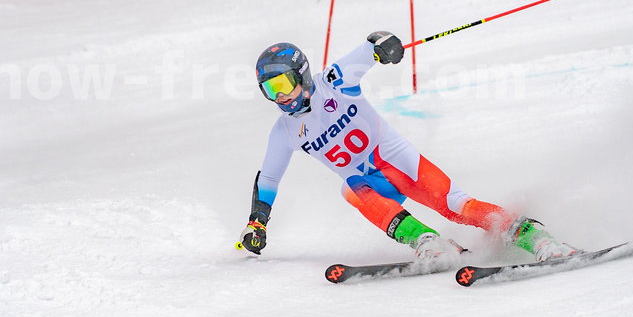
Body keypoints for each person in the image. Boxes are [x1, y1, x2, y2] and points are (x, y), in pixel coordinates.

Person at [237, 38, 577, 270]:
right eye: (269, 90)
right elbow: (268, 179)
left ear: (301, 75)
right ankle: (426, 241)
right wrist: (258, 222)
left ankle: (537, 238)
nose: (279, 96)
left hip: (400, 164)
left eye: (282, 84)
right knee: (350, 190)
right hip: (371, 186)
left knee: (456, 207)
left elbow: (369, 49)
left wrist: (383, 46)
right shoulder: (284, 132)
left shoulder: (334, 81)